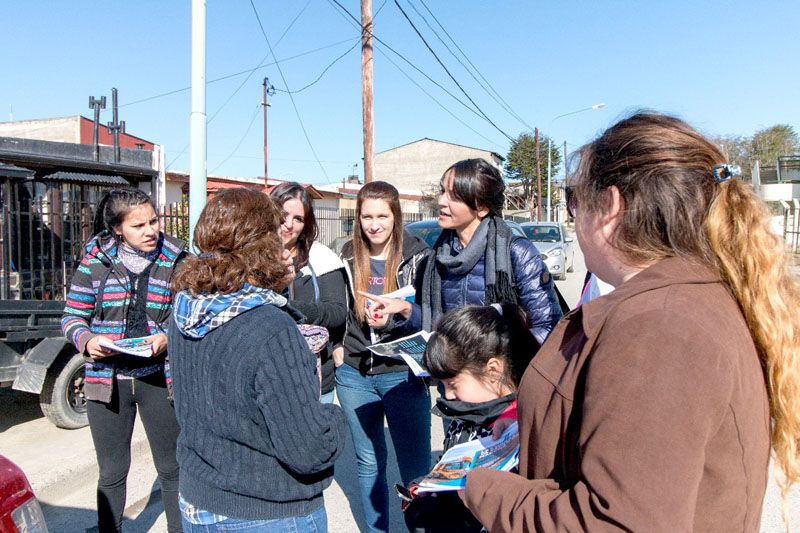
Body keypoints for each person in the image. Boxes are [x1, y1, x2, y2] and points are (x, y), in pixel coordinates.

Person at [462, 112, 800, 531]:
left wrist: (480, 487)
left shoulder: (661, 327)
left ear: (611, 206)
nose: (573, 217)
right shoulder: (680, 302)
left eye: (574, 201)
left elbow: (614, 522)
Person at [168, 188, 347, 532]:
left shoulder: (185, 307)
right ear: (264, 244)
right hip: (265, 512)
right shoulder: (270, 328)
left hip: (199, 501)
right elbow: (310, 450)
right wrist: (334, 417)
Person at [61, 187, 186, 532]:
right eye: (138, 225)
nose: (151, 231)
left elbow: (189, 313)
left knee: (172, 468)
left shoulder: (177, 260)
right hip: (105, 380)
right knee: (112, 472)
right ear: (118, 229)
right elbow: (71, 317)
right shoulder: (94, 263)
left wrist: (168, 335)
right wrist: (87, 340)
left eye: (154, 221)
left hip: (158, 378)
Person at [365, 158, 562, 347]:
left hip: (500, 377)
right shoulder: (437, 258)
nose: (441, 201)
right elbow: (434, 323)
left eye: (453, 196)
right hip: (453, 377)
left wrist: (493, 356)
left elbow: (548, 328)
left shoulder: (517, 253)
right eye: (442, 191)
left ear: (482, 207)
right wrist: (405, 308)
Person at [334, 181, 432, 533]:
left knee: (417, 470)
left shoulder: (419, 254)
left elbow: (432, 312)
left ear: (396, 216)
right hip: (355, 376)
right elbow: (335, 309)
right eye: (366, 217)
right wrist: (335, 344)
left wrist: (402, 311)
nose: (374, 225)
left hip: (402, 375)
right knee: (368, 463)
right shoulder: (344, 253)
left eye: (382, 216)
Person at [401, 303, 539, 532]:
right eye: (442, 385)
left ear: (493, 370)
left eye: (452, 384)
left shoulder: (523, 427)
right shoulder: (469, 411)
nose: (447, 394)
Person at [270, 182, 348, 403]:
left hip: (315, 377)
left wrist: (288, 309)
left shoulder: (321, 256)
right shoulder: (250, 257)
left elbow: (337, 312)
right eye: (283, 215)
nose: (288, 225)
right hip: (267, 377)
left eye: (298, 219)